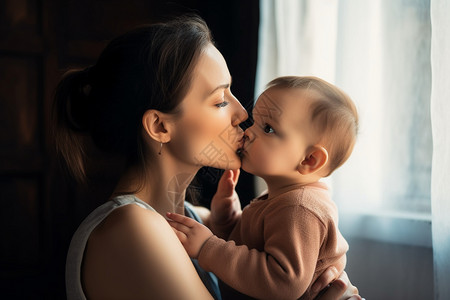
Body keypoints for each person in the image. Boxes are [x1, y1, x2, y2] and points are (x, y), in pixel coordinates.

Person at [53, 14, 360, 300]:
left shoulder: (195, 219)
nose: (242, 114)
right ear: (160, 126)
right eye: (220, 100)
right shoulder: (133, 227)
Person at [167, 75, 359, 300]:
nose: (248, 131)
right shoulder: (283, 199)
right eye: (256, 122)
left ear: (310, 160)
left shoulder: (300, 207)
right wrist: (228, 221)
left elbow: (282, 283)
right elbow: (256, 251)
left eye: (268, 128)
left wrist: (209, 247)